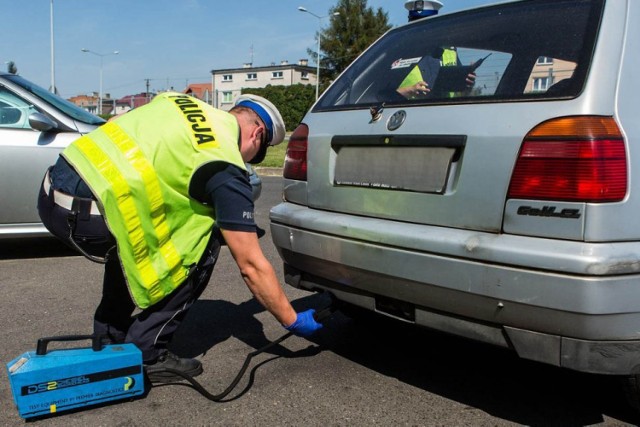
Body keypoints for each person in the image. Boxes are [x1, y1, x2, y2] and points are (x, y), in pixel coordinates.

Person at [37, 92, 323, 382]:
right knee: (203, 242)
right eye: (256, 155)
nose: (248, 161)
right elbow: (250, 264)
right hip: (91, 217)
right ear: (257, 134)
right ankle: (148, 353)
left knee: (134, 229)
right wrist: (291, 319)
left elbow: (117, 122)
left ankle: (111, 336)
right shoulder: (224, 163)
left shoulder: (177, 101)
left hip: (53, 192)